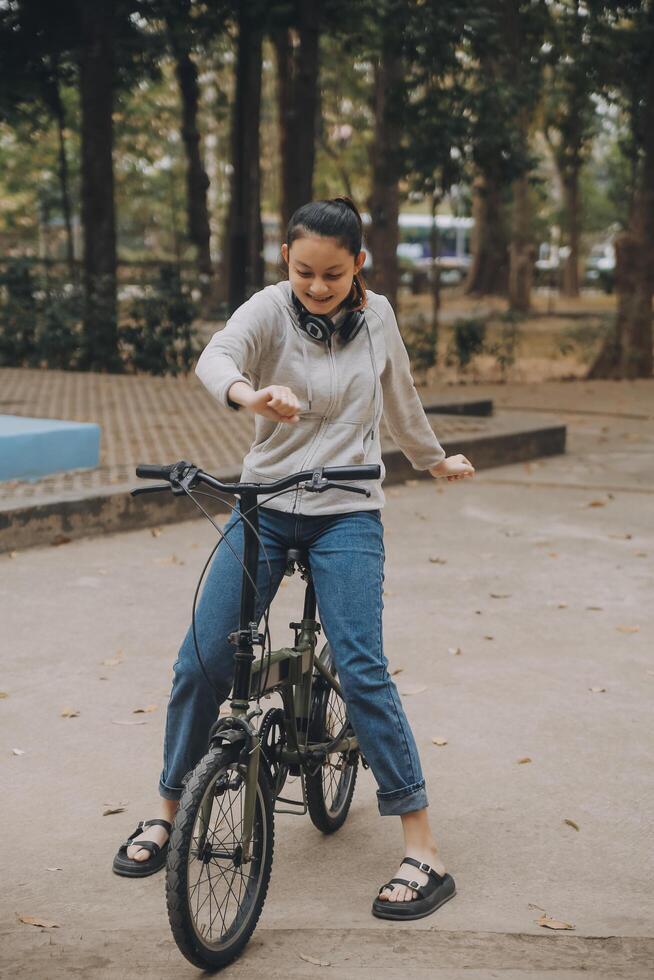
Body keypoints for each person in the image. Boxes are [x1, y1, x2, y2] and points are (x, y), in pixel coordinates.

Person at [112, 196, 474, 919]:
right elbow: (217, 356)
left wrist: (432, 461)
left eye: (333, 275)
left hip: (348, 512)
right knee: (202, 660)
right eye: (304, 271)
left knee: (363, 665)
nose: (316, 286)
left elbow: (399, 398)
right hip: (264, 505)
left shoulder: (378, 319)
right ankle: (167, 810)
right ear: (287, 259)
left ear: (358, 266)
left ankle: (423, 849)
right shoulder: (270, 309)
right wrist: (251, 395)